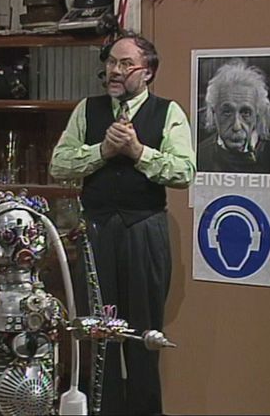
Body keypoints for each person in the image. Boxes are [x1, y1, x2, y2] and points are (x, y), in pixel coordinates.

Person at [49, 31, 195, 415]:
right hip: (96, 233)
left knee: (144, 333)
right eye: (112, 62)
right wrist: (102, 151)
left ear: (147, 72)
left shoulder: (168, 113)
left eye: (126, 64)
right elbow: (59, 164)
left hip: (144, 231)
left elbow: (184, 171)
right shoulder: (87, 110)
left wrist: (138, 151)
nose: (115, 70)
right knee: (98, 332)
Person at [197, 59, 270, 174]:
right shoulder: (200, 155)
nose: (236, 126)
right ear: (213, 113)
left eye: (246, 113)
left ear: (257, 115)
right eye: (227, 112)